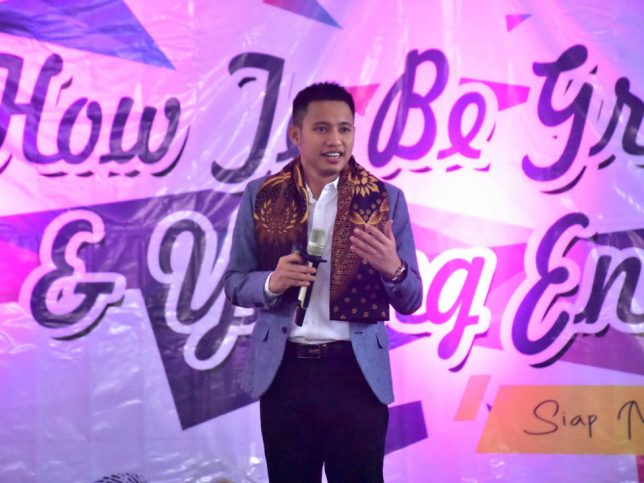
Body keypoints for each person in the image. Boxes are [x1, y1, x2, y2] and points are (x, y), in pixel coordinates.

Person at [224, 82, 422, 482]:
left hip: (356, 373)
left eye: (345, 129)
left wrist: (393, 269)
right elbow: (234, 283)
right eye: (321, 128)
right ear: (296, 134)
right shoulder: (260, 196)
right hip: (285, 372)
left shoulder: (385, 199)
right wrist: (273, 282)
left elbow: (412, 298)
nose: (335, 140)